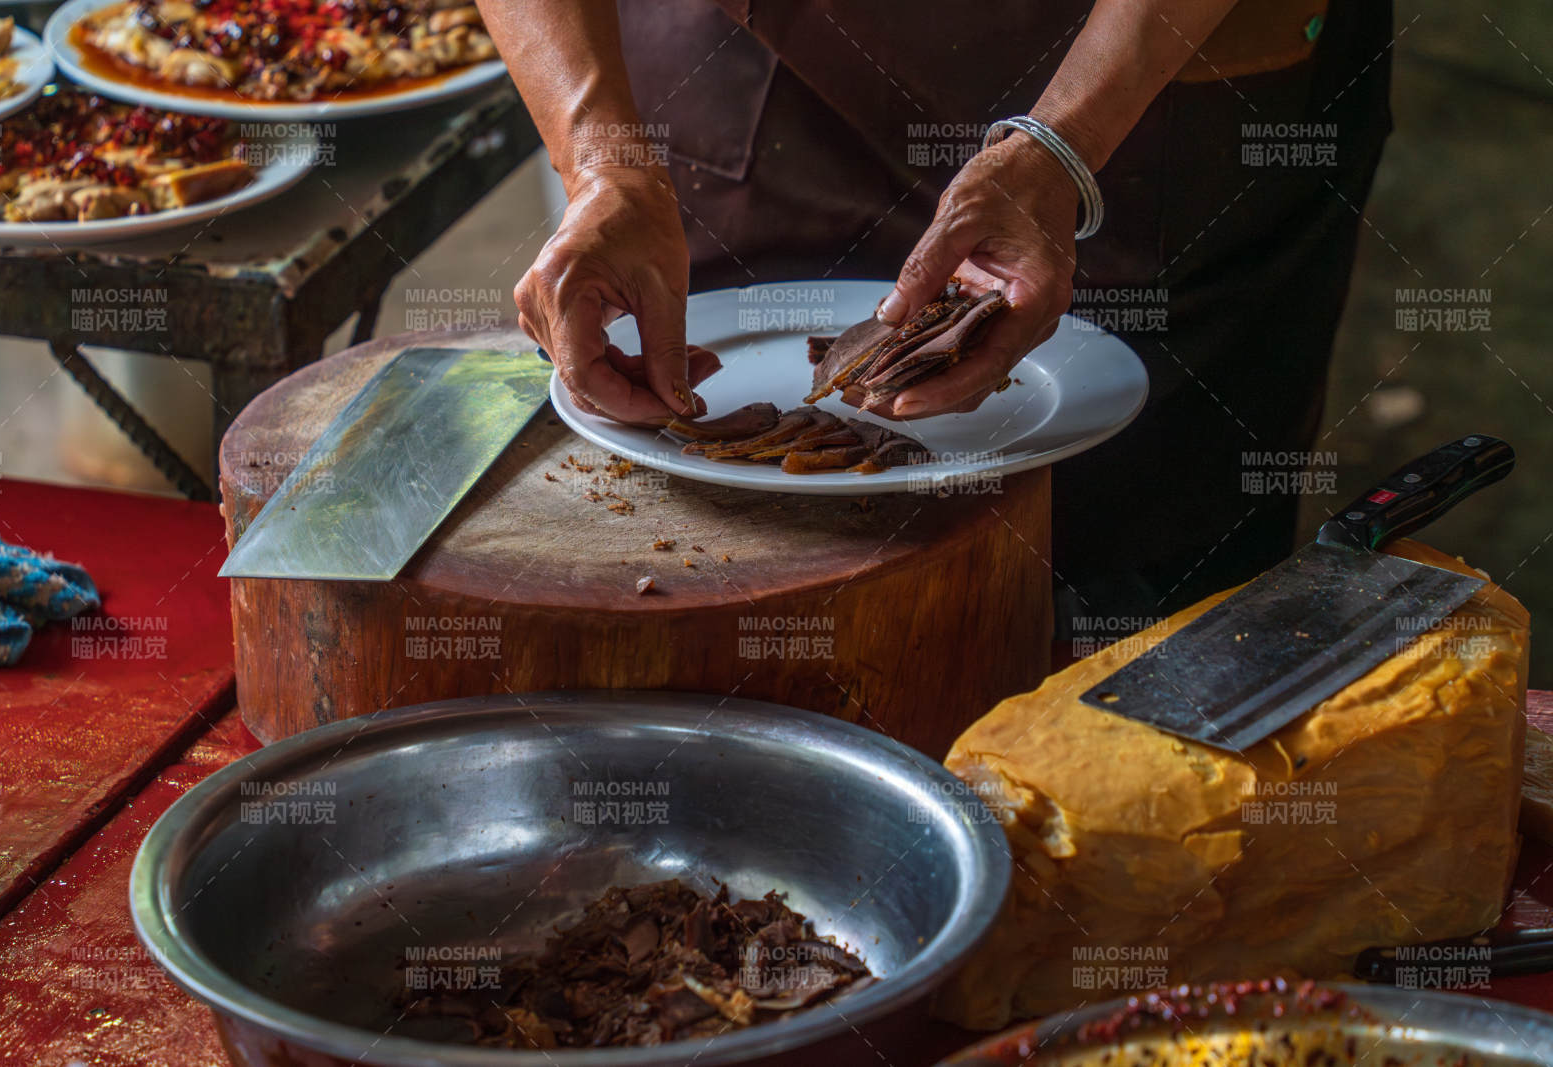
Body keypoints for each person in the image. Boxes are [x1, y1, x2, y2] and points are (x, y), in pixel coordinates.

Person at [477, 0, 1393, 635]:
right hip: (757, 64)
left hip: (1157, 79)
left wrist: (1064, 145)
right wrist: (600, 161)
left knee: (1147, 597)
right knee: (734, 548)